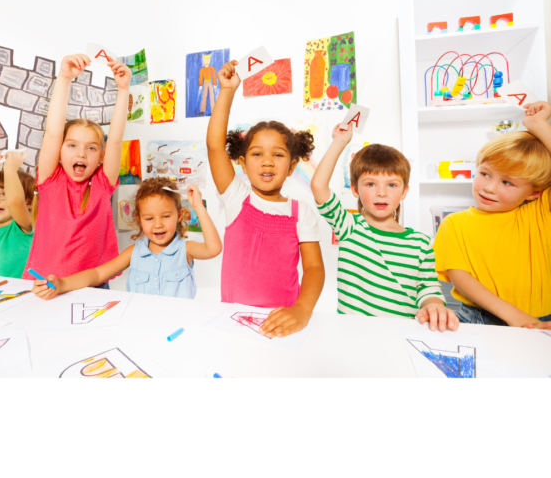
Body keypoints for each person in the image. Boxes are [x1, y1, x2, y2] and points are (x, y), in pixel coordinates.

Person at [207, 60, 325, 339]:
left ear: (292, 166)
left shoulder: (301, 212)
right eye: (257, 154)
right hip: (233, 322)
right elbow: (214, 146)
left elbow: (314, 268)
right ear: (242, 164)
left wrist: (302, 310)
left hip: (284, 324)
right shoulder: (236, 197)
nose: (267, 162)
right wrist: (227, 91)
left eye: (278, 155)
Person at [311, 122, 458, 332]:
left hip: (402, 336)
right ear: (355, 190)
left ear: (404, 192)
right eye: (370, 184)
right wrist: (340, 141)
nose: (382, 193)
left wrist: (433, 305)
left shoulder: (421, 242)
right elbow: (318, 185)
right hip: (352, 336)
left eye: (392, 185)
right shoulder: (349, 227)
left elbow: (428, 288)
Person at [434, 101, 551, 329]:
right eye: (485, 174)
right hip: (479, 318)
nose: (489, 187)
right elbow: (462, 278)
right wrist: (518, 317)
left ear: (535, 192)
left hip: (542, 321)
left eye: (507, 182)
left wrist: (537, 125)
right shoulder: (454, 223)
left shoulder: (539, 213)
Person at [23, 53, 130, 288]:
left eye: (90, 148)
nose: (81, 154)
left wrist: (124, 90)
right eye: (72, 145)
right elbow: (52, 131)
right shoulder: (50, 178)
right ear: (59, 150)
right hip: (43, 283)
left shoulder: (103, 183)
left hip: (92, 286)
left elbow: (115, 140)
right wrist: (64, 78)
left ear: (101, 156)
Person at [32, 179, 221, 299]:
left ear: (179, 216)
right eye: (149, 218)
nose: (158, 225)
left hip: (178, 327)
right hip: (139, 327)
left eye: (166, 216)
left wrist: (199, 207)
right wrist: (61, 284)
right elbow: (97, 275)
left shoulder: (185, 250)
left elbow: (213, 249)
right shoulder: (134, 252)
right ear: (139, 220)